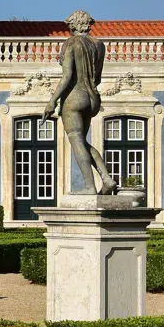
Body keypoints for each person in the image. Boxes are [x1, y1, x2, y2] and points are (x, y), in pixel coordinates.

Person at [43, 11, 116, 195]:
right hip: (93, 98)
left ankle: (90, 187)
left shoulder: (71, 43)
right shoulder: (99, 45)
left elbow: (67, 76)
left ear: (74, 25)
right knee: (82, 141)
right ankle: (106, 178)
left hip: (75, 98)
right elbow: (97, 77)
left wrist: (52, 101)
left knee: (76, 141)